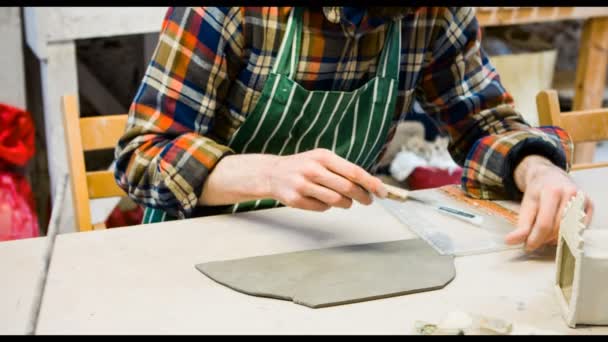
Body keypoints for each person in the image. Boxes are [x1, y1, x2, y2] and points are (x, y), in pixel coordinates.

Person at [114, 7, 593, 252]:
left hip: (334, 245)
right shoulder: (236, 11)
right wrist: (269, 175)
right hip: (195, 248)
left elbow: (485, 123)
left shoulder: (431, 13)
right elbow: (141, 157)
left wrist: (537, 170)